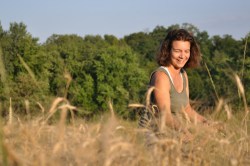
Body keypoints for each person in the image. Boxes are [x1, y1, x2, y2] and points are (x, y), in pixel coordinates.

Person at [139, 29, 208, 137]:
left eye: (186, 51)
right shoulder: (161, 77)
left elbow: (186, 109)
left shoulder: (183, 74)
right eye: (177, 51)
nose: (182, 56)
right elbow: (165, 116)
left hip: (170, 132)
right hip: (151, 134)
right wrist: (185, 133)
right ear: (168, 51)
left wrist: (208, 124)